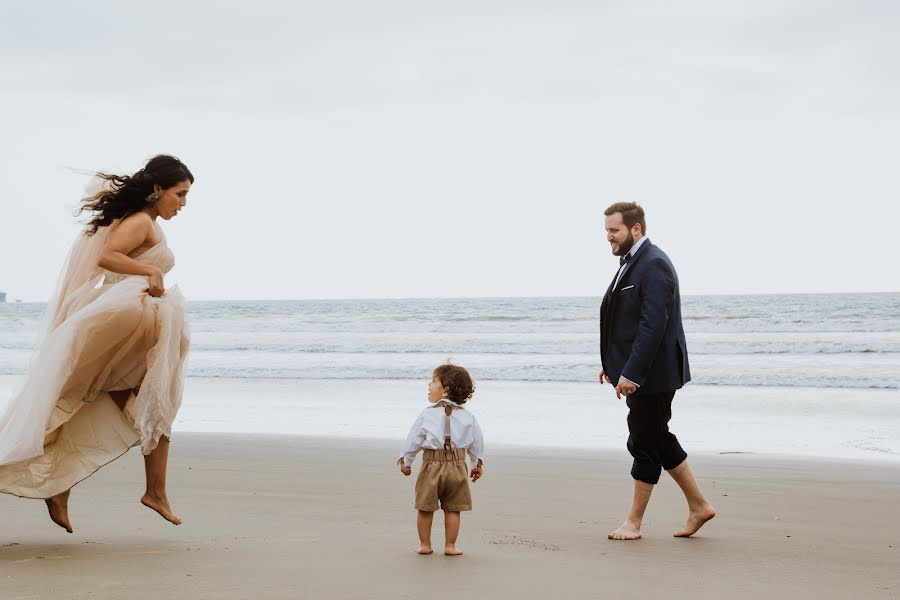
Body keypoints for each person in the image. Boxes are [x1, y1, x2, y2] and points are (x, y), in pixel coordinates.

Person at [0, 155, 194, 533]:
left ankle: (68, 488)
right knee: (149, 405)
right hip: (123, 320)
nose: (183, 203)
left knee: (144, 406)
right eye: (180, 194)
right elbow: (108, 257)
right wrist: (152, 270)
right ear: (158, 190)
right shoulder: (140, 221)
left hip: (131, 319)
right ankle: (152, 492)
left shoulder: (149, 222)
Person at [599, 202, 716, 540]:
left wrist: (632, 373)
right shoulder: (632, 263)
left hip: (655, 374)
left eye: (614, 230)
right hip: (641, 371)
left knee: (643, 441)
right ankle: (699, 506)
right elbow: (625, 323)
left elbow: (653, 326)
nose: (608, 237)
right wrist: (614, 366)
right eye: (606, 230)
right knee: (657, 437)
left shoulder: (654, 265)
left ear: (636, 229)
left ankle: (633, 523)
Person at [398, 364, 485, 556]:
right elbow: (476, 443)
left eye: (433, 382)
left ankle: (425, 544)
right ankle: (450, 546)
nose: (429, 385)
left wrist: (407, 460)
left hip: (432, 465)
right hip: (458, 466)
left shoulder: (427, 414)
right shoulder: (469, 417)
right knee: (453, 508)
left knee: (425, 507)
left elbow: (414, 439)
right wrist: (476, 464)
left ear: (444, 390)